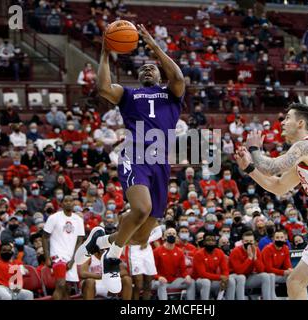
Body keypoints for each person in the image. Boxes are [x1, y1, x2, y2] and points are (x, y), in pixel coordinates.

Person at [74, 23, 185, 294]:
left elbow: (179, 77)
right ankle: (112, 257)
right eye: (143, 68)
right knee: (141, 208)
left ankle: (100, 241)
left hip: (160, 162)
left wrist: (153, 45)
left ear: (159, 72)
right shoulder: (129, 95)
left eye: (153, 67)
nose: (147, 68)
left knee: (141, 236)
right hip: (136, 155)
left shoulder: (171, 94)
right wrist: (104, 50)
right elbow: (102, 88)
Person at [234, 103, 308, 300]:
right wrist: (249, 168)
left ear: (300, 123)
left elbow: (272, 167)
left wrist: (254, 149)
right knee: (295, 282)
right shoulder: (303, 159)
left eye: (287, 118)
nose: (282, 122)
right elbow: (278, 186)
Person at [42, 195, 85, 300]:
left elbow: (80, 241)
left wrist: (73, 260)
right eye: (66, 201)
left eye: (71, 200)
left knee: (67, 289)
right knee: (60, 284)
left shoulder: (78, 219)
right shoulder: (54, 218)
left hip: (71, 257)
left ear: (74, 203)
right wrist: (47, 257)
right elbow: (44, 237)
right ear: (61, 204)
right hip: (57, 256)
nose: (69, 203)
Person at [229, 231, 275, 300]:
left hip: (248, 276)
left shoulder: (256, 250)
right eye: (246, 241)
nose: (249, 243)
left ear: (254, 242)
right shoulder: (236, 251)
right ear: (242, 242)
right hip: (234, 277)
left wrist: (255, 258)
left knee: (265, 276)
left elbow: (261, 270)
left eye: (251, 241)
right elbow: (239, 271)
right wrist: (249, 258)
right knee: (241, 277)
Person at [152, 227, 195, 300]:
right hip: (158, 281)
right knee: (161, 284)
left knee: (191, 282)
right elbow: (152, 271)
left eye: (173, 234)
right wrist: (158, 277)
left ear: (176, 236)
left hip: (173, 281)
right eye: (169, 233)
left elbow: (183, 270)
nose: (171, 235)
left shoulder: (179, 252)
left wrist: (187, 276)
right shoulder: (156, 251)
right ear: (164, 236)